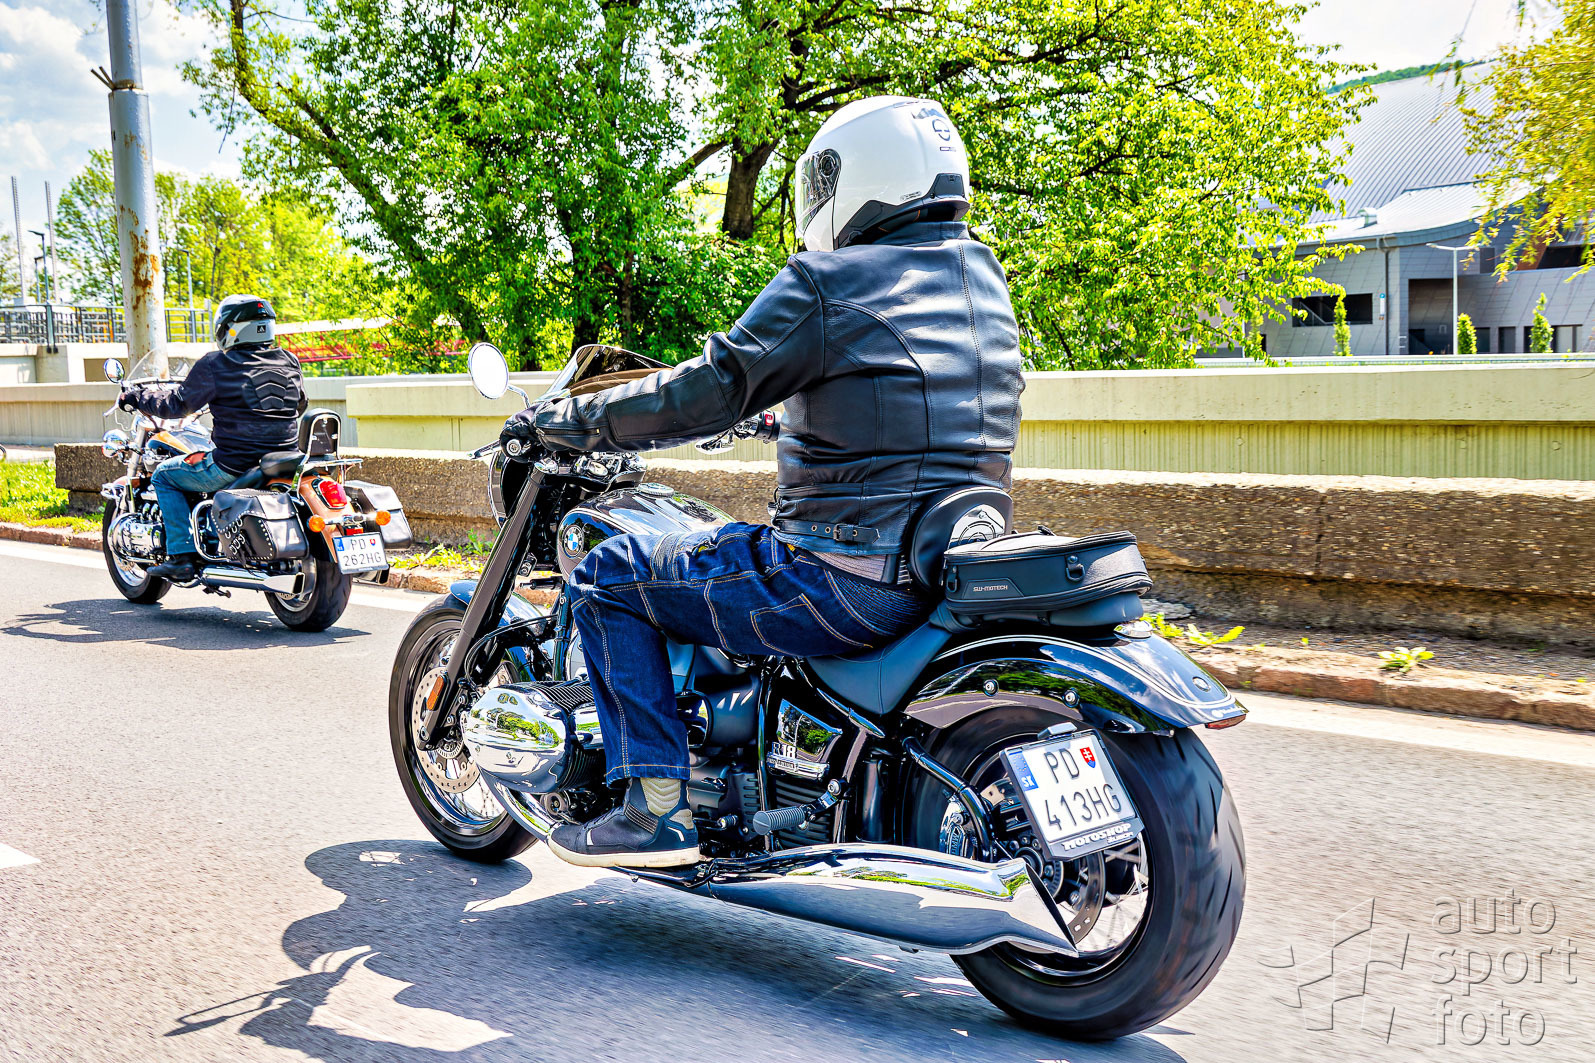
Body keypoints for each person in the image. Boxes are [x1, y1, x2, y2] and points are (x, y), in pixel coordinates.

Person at [502, 96, 1024, 868]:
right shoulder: (979, 277)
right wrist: (791, 421)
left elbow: (710, 388)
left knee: (610, 573)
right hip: (940, 565)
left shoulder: (827, 281)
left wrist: (573, 421)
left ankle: (654, 808)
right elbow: (903, 401)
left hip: (837, 581)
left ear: (854, 175)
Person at [120, 294, 306, 583]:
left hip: (233, 464)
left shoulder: (217, 363)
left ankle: (181, 557)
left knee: (164, 476)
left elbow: (177, 405)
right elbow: (299, 404)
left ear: (230, 329)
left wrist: (138, 397)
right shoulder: (289, 360)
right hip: (284, 460)